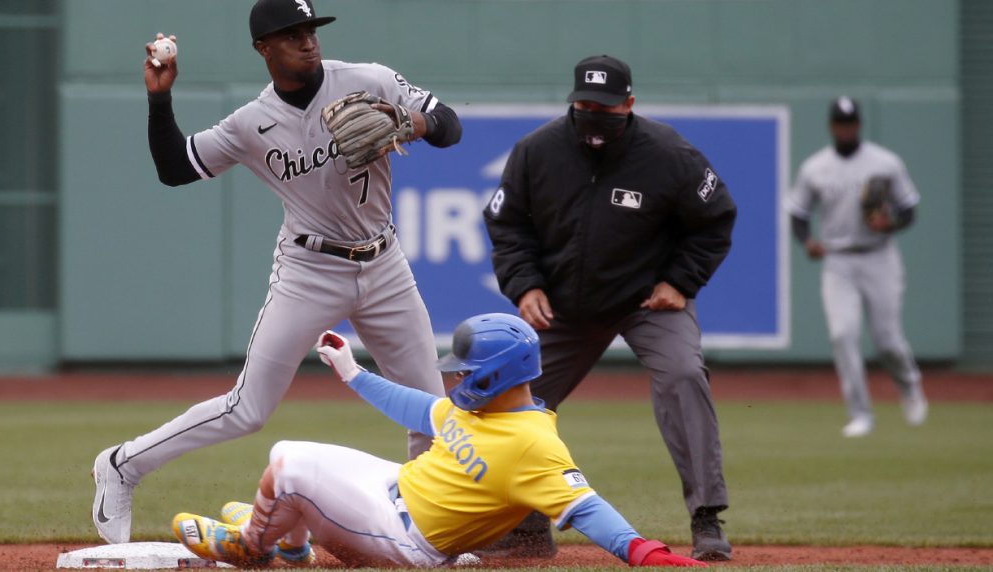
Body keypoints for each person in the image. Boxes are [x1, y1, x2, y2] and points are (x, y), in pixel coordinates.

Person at [92, 0, 462, 544]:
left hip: (385, 265)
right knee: (248, 410)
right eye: (292, 34)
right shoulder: (251, 123)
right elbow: (174, 167)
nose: (308, 41)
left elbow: (449, 125)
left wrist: (413, 121)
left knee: (430, 411)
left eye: (311, 30)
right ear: (264, 49)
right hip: (309, 269)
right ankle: (122, 465)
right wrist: (159, 96)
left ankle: (427, 534)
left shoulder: (369, 79)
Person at [170, 314, 707, 568]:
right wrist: (353, 372)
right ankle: (291, 542)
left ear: (497, 375)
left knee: (286, 461)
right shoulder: (483, 408)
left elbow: (589, 509)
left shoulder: (534, 444)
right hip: (394, 492)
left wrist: (645, 553)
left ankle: (253, 546)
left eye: (465, 372)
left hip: (410, 542)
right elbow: (417, 409)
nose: (454, 379)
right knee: (297, 465)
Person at [482, 55, 737, 561]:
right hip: (564, 306)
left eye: (605, 106)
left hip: (645, 299)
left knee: (684, 373)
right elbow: (508, 226)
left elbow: (715, 220)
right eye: (583, 104)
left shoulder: (669, 155)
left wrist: (680, 281)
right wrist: (526, 285)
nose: (593, 114)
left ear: (629, 104)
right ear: (572, 102)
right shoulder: (537, 151)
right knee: (512, 403)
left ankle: (707, 518)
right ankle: (529, 524)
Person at [787, 96, 927, 438]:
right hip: (838, 260)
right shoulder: (815, 167)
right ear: (832, 126)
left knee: (887, 340)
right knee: (843, 334)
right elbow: (798, 214)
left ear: (858, 125)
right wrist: (808, 242)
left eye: (850, 123)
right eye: (840, 123)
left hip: (880, 256)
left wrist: (888, 223)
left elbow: (909, 209)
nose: (845, 128)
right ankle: (861, 413)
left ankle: (909, 386)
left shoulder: (885, 163)